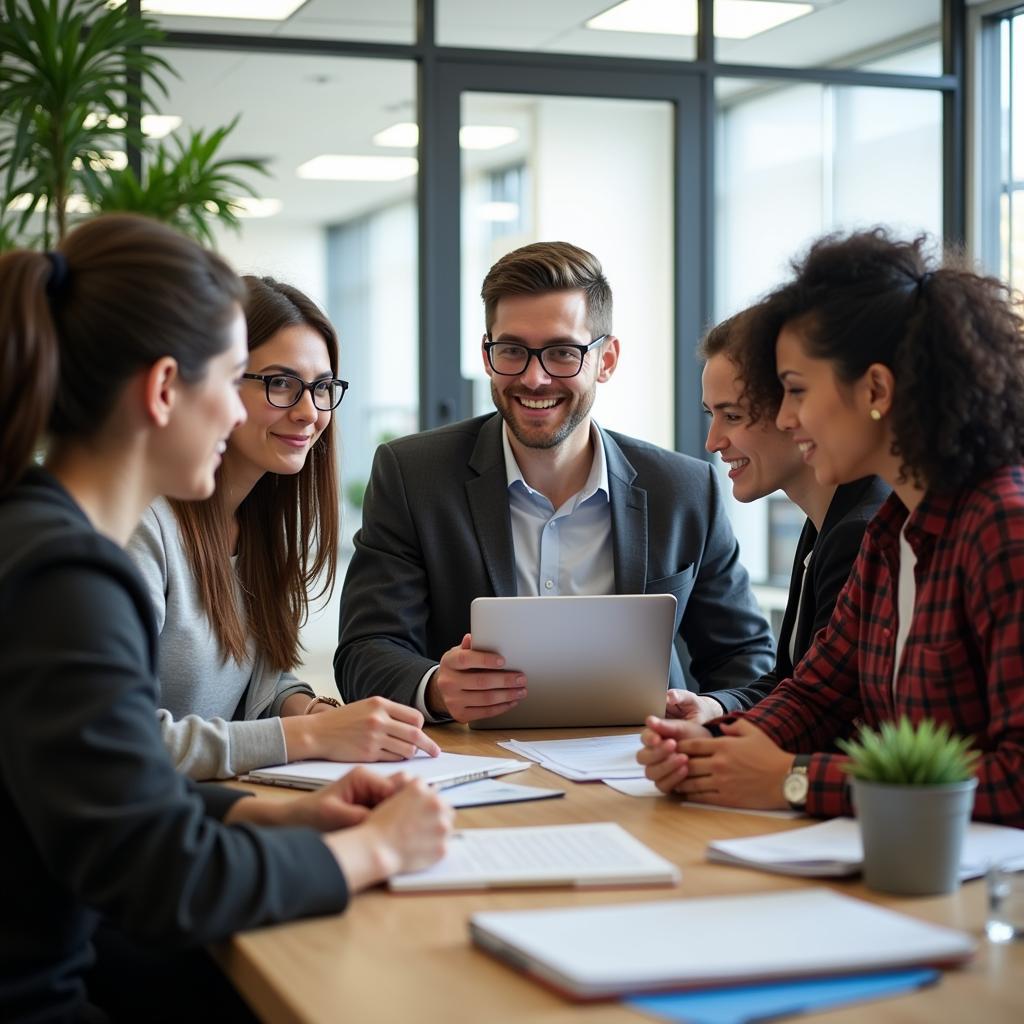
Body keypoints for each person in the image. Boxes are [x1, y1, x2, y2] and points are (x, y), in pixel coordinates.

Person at [0, 214, 451, 1023]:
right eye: (237, 377)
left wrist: (291, 812)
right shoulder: (67, 576)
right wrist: (373, 849)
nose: (262, 411)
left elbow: (121, 781)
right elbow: (159, 874)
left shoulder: (36, 535)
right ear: (166, 389)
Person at [638, 228, 1024, 827]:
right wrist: (709, 749)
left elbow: (1018, 778)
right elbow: (818, 694)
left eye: (795, 391)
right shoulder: (891, 532)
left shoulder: (1004, 528)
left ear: (875, 389)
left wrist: (798, 782)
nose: (786, 417)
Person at [336, 241, 775, 724]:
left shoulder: (685, 489)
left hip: (642, 768)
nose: (535, 378)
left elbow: (747, 659)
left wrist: (711, 707)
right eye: (512, 351)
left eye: (563, 353)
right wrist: (436, 688)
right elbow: (364, 651)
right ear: (487, 356)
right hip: (472, 767)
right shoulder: (412, 475)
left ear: (606, 360)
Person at [128, 276, 439, 781]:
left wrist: (318, 715)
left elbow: (259, 685)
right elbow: (118, 741)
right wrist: (309, 736)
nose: (308, 411)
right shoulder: (144, 528)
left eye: (321, 388)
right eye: (279, 383)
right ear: (215, 382)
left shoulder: (258, 521)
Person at [697, 305, 888, 717]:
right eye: (712, 415)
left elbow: (826, 718)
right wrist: (714, 710)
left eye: (732, 415)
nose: (713, 441)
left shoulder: (859, 531)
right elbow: (794, 683)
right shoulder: (823, 523)